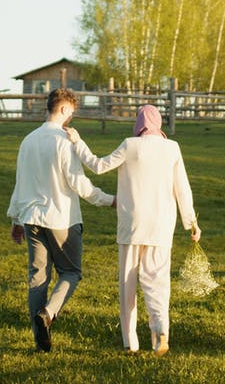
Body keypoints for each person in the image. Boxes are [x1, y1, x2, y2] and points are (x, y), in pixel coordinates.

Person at [66, 104, 201, 356]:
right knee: (157, 282)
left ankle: (131, 343)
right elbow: (182, 188)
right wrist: (191, 223)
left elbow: (97, 165)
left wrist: (78, 142)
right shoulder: (172, 148)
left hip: (131, 224)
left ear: (138, 124)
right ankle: (160, 329)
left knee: (127, 285)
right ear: (158, 124)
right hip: (161, 225)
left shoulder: (130, 145)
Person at [7, 87, 115, 352]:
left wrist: (16, 219)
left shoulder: (28, 140)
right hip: (61, 219)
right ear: (65, 109)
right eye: (72, 113)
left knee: (38, 278)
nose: (71, 119)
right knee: (70, 272)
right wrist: (109, 200)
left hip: (32, 219)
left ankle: (39, 341)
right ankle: (49, 313)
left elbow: (21, 182)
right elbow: (79, 183)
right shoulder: (64, 140)